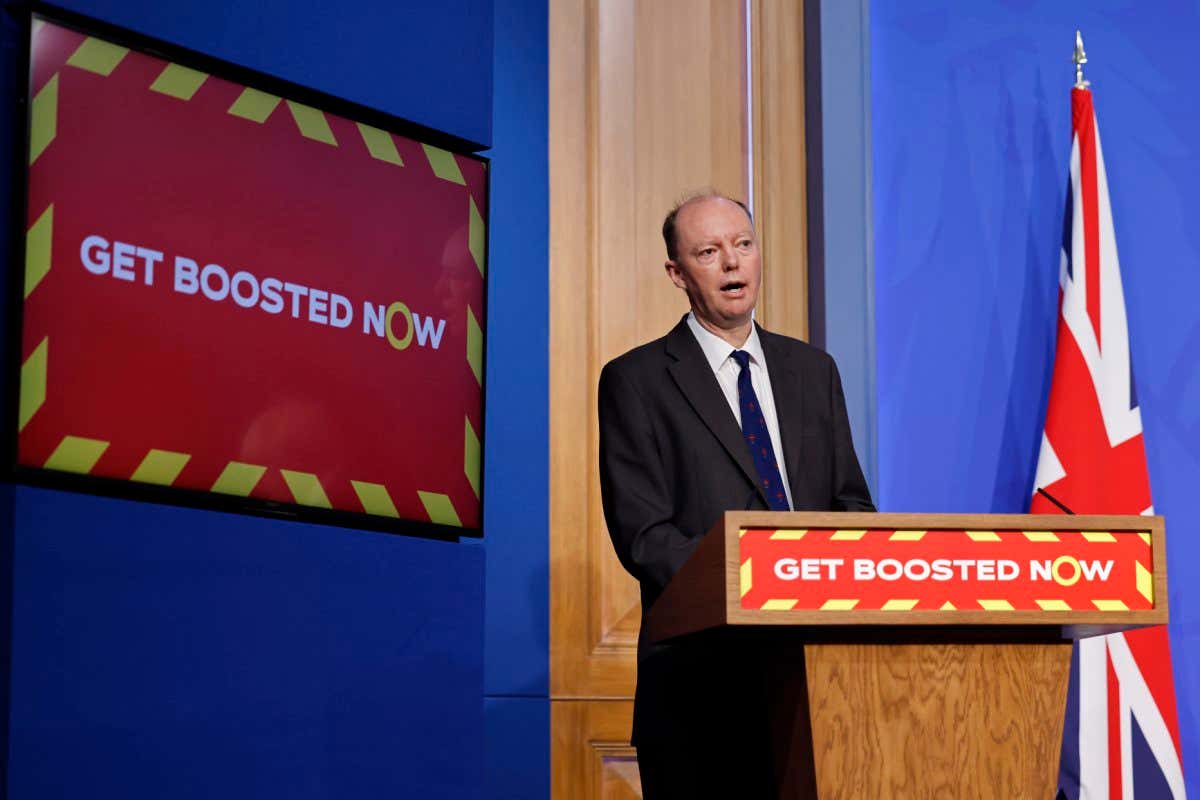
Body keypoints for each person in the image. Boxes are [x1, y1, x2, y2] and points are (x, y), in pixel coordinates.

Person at [597, 191, 875, 798]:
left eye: (743, 245)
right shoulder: (636, 381)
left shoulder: (813, 371)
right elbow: (645, 537)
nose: (732, 263)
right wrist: (758, 578)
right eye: (709, 251)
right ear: (677, 273)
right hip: (702, 689)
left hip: (819, 684)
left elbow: (852, 506)